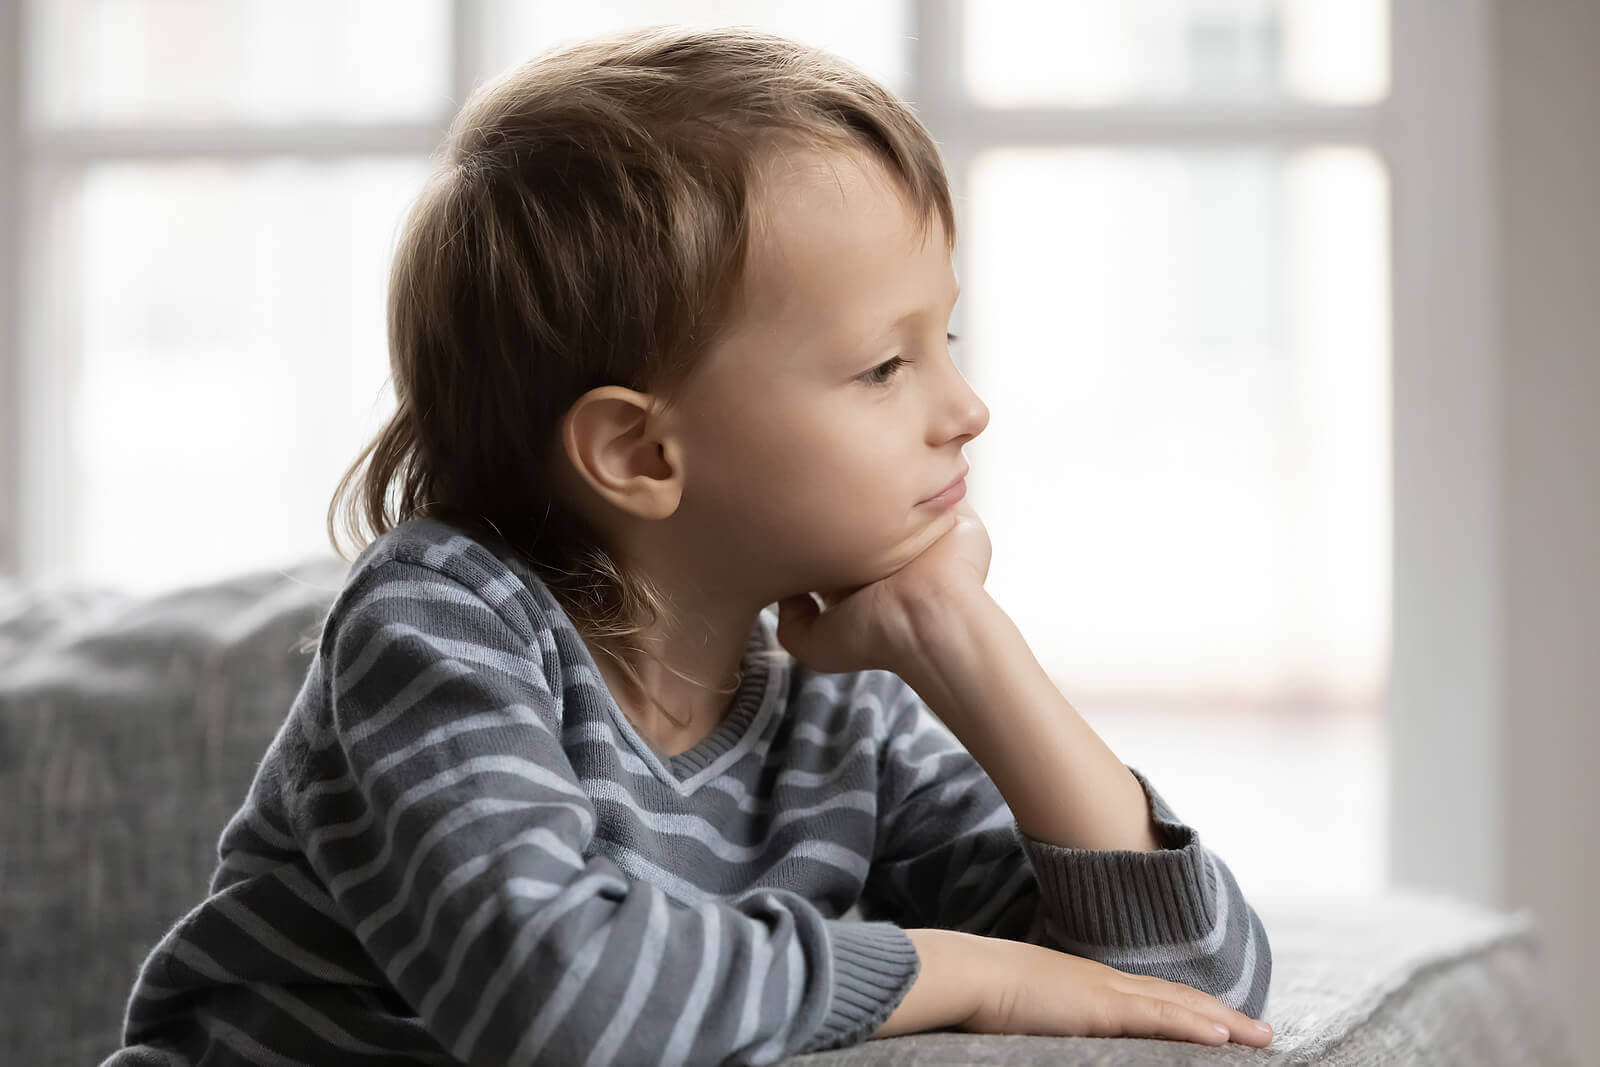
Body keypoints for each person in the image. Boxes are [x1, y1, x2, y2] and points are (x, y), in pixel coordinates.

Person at [104, 24, 1273, 1066]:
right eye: (884, 364)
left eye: (946, 339)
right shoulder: (441, 627)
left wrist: (961, 636)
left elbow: (1192, 987)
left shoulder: (836, 702)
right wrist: (958, 969)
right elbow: (563, 1001)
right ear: (638, 452)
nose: (966, 409)